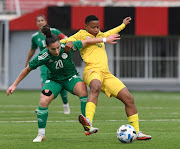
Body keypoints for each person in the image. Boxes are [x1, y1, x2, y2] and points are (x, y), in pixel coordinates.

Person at [6, 25, 121, 142]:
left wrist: (105, 40)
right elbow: (27, 69)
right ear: (46, 47)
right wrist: (14, 85)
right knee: (43, 101)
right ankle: (41, 134)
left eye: (57, 48)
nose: (56, 51)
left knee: (82, 90)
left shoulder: (67, 46)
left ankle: (88, 126)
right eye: (53, 49)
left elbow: (87, 41)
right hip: (54, 81)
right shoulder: (43, 56)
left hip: (71, 78)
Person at [61, 15, 152, 140]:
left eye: (98, 27)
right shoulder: (81, 34)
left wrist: (123, 25)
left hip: (106, 74)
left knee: (129, 99)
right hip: (91, 71)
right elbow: (63, 42)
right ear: (86, 26)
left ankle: (136, 132)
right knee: (96, 87)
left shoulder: (101, 35)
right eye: (93, 27)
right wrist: (69, 41)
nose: (96, 29)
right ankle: (88, 122)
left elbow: (111, 32)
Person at [25, 15, 70, 114]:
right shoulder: (35, 37)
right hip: (45, 63)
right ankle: (43, 106)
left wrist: (63, 48)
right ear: (36, 23)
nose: (40, 22)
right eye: (38, 21)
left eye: (42, 20)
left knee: (61, 83)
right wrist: (28, 61)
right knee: (44, 84)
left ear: (46, 21)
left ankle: (66, 104)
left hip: (57, 61)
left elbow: (65, 38)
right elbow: (32, 50)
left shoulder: (54, 31)